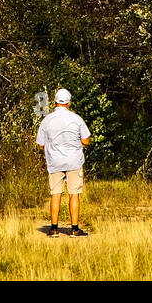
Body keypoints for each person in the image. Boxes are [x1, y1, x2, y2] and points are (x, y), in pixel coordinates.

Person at [36, 88, 91, 237]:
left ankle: (54, 229)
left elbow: (40, 144)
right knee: (74, 194)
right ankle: (74, 229)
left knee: (55, 194)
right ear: (69, 102)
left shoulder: (47, 120)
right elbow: (86, 141)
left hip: (54, 161)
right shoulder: (76, 119)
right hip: (74, 161)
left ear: (55, 102)